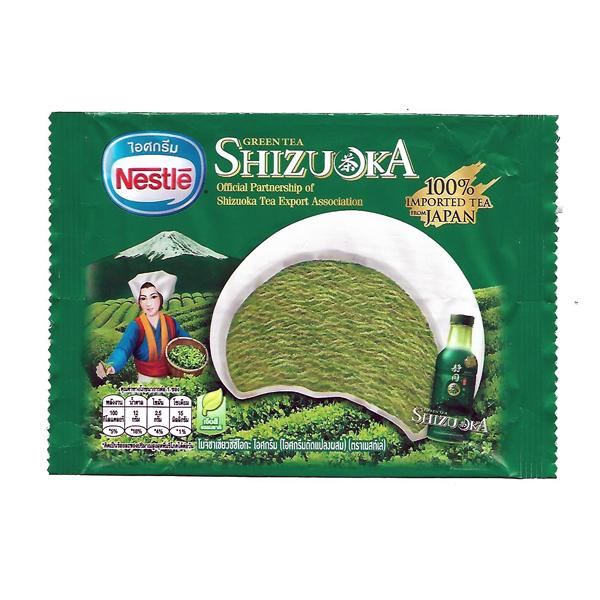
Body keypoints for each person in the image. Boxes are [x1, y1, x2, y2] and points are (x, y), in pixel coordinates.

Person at [96, 270, 190, 383]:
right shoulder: (136, 326)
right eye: (143, 298)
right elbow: (123, 349)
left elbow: (187, 342)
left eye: (153, 297)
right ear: (139, 302)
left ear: (161, 299)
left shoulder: (171, 322)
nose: (148, 303)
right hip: (145, 381)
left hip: (171, 380)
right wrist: (111, 365)